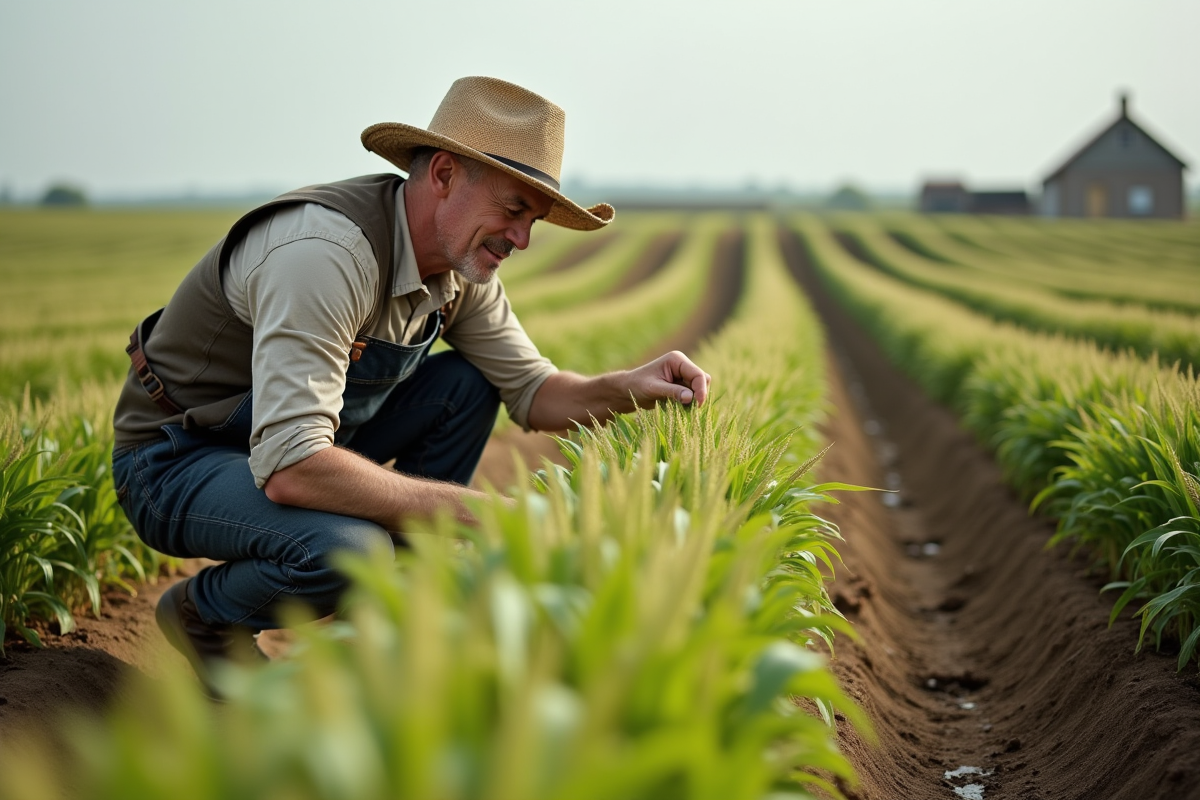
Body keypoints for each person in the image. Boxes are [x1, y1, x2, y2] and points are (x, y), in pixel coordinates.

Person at [110, 76, 711, 694]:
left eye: (533, 220)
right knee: (352, 549)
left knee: (466, 384)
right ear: (445, 175)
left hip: (306, 441)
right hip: (179, 457)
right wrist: (467, 512)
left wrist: (630, 388)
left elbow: (531, 390)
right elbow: (292, 466)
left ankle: (387, 633)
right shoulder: (324, 254)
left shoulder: (458, 269)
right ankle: (203, 616)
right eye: (512, 210)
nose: (522, 240)